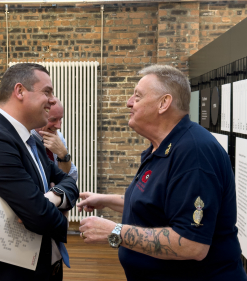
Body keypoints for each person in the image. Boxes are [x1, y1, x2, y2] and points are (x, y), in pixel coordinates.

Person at [77, 64, 247, 280]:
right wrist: (104, 199)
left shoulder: (193, 153)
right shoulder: (162, 147)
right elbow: (158, 204)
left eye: (137, 97)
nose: (129, 103)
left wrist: (115, 231)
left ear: (163, 103)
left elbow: (192, 244)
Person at [0, 63, 79, 281]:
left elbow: (67, 180)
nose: (52, 100)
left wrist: (53, 197)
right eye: (47, 91)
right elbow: (39, 216)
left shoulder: (26, 139)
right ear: (20, 91)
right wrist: (62, 214)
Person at [31, 97, 78, 182]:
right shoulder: (27, 139)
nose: (59, 126)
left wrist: (63, 155)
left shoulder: (58, 137)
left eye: (60, 119)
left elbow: (72, 177)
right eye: (53, 120)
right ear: (38, 116)